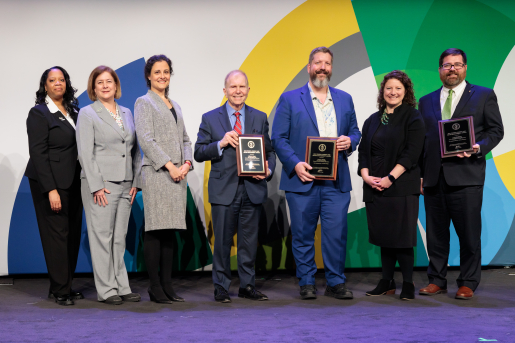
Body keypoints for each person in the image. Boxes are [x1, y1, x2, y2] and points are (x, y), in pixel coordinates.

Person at [271, 47, 361, 300]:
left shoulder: (345, 98)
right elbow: (278, 138)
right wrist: (295, 164)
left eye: (327, 63)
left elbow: (356, 131)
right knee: (302, 235)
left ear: (331, 68)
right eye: (318, 62)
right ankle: (307, 282)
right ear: (309, 67)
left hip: (335, 181)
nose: (323, 67)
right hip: (302, 179)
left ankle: (335, 282)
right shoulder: (289, 99)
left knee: (335, 235)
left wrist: (349, 141)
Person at [418, 48, 504, 299]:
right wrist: (422, 175)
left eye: (457, 64)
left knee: (468, 234)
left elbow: (496, 131)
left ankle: (468, 281)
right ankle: (436, 280)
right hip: (434, 178)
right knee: (435, 235)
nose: (452, 69)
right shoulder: (426, 101)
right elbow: (423, 143)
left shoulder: (484, 95)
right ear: (440, 70)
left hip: (467, 176)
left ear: (465, 68)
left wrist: (477, 147)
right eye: (447, 65)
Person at [194, 70, 276, 303]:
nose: (238, 91)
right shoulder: (210, 118)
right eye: (233, 87)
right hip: (224, 190)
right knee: (221, 242)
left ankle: (247, 286)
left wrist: (268, 170)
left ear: (248, 90)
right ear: (225, 91)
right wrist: (219, 143)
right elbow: (198, 152)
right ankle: (221, 286)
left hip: (253, 187)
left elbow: (269, 151)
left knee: (249, 242)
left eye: (242, 87)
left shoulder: (259, 117)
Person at [76, 66, 142, 305]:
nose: (105, 85)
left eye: (109, 81)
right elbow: (85, 152)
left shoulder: (126, 112)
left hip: (126, 184)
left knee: (119, 238)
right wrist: (96, 186)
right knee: (102, 237)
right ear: (93, 88)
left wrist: (136, 181)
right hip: (102, 185)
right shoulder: (87, 113)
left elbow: (135, 150)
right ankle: (106, 290)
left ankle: (122, 286)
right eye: (99, 82)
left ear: (116, 85)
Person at [357, 71, 425, 300]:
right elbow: (363, 152)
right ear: (382, 92)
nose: (392, 92)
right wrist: (366, 176)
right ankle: (386, 282)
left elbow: (412, 154)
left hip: (401, 187)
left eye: (398, 88)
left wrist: (390, 178)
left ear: (406, 92)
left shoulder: (413, 117)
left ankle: (407, 283)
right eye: (388, 88)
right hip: (374, 187)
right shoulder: (372, 120)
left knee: (402, 238)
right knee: (384, 237)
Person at [134, 55, 192, 304]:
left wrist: (187, 164)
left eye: (166, 71)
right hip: (159, 174)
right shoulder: (144, 102)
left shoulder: (175, 105)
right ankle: (155, 287)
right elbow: (146, 139)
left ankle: (168, 285)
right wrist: (170, 166)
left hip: (178, 175)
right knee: (155, 231)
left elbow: (186, 139)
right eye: (157, 72)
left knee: (170, 232)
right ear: (149, 75)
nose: (162, 76)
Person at [25, 66, 83, 306]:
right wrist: (51, 190)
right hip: (50, 182)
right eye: (52, 80)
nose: (58, 83)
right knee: (57, 236)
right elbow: (38, 153)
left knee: (72, 235)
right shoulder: (39, 113)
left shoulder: (75, 111)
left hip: (74, 180)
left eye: (61, 80)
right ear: (45, 85)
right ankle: (60, 289)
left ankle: (64, 283)